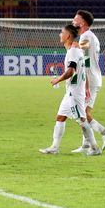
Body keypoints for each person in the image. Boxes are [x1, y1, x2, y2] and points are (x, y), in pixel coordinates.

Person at [39, 24, 101, 156]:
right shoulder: (76, 51)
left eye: (62, 32)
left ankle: (95, 148)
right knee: (60, 117)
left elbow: (71, 71)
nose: (60, 35)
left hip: (75, 93)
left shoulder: (73, 51)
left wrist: (57, 80)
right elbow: (82, 71)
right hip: (72, 92)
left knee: (81, 120)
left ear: (68, 36)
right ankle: (54, 147)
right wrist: (87, 89)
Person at [71, 10, 105, 153]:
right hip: (92, 78)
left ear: (82, 22)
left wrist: (78, 46)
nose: (73, 20)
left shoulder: (87, 36)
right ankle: (86, 145)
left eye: (75, 18)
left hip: (90, 79)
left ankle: (104, 132)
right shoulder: (90, 35)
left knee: (83, 114)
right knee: (84, 113)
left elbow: (85, 45)